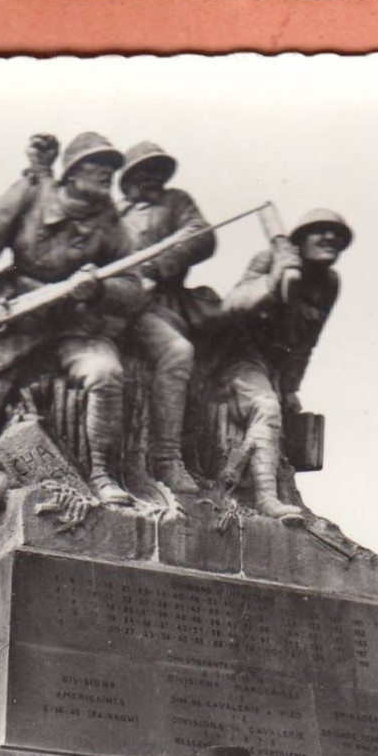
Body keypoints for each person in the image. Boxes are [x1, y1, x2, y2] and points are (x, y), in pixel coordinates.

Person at [0, 132, 144, 528]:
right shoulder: (32, 194)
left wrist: (99, 288)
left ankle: (103, 474)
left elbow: (133, 289)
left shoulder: (111, 225)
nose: (106, 174)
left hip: (75, 326)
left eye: (110, 168)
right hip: (17, 321)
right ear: (70, 172)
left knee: (106, 374)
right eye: (95, 165)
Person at [214, 208, 353, 524]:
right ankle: (266, 498)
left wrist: (290, 387)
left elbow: (307, 343)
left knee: (279, 411)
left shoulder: (327, 284)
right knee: (265, 407)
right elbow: (230, 307)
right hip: (235, 358)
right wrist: (273, 282)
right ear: (300, 240)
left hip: (272, 369)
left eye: (338, 236)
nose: (330, 239)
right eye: (320, 231)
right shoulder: (270, 260)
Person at [116, 141, 216, 495]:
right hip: (108, 310)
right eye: (141, 173)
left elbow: (201, 237)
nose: (150, 180)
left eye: (156, 172)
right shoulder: (109, 215)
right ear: (125, 180)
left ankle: (167, 459)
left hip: (153, 307)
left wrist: (156, 270)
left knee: (177, 352)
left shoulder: (176, 203)